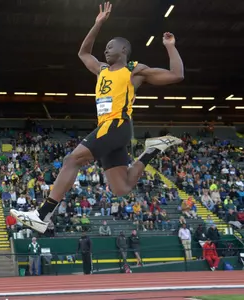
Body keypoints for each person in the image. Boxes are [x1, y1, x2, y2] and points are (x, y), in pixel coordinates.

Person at [10, 2, 184, 233]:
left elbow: (176, 75)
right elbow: (83, 53)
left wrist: (170, 46)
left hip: (117, 125)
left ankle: (42, 215)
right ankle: (151, 151)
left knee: (72, 159)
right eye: (105, 47)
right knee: (121, 188)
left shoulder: (133, 70)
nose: (106, 50)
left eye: (111, 47)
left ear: (123, 50)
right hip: (107, 129)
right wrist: (98, 23)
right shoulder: (101, 69)